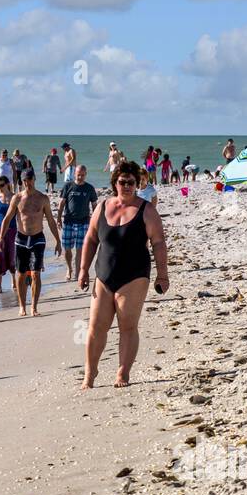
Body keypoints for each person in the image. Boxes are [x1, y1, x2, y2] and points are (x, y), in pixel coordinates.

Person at [78, 161, 169, 389]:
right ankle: (90, 373)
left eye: (131, 182)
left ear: (137, 184)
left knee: (127, 325)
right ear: (115, 183)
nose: (127, 186)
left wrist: (162, 275)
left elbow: (158, 242)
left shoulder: (147, 210)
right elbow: (90, 238)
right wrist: (82, 270)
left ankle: (122, 373)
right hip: (104, 274)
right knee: (96, 326)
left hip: (134, 275)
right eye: (122, 182)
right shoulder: (102, 207)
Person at [0, 168, 61, 316]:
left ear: (34, 179)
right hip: (21, 239)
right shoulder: (17, 198)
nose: (27, 183)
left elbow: (51, 222)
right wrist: (1, 237)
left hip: (37, 238)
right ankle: (22, 306)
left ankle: (34, 307)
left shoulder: (43, 198)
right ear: (21, 181)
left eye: (30, 179)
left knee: (35, 274)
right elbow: (7, 219)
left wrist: (58, 241)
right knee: (21, 274)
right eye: (24, 180)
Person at [57, 164, 97, 281]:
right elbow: (62, 203)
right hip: (69, 221)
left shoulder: (89, 188)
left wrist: (96, 222)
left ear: (86, 175)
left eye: (83, 175)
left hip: (84, 222)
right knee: (67, 249)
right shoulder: (68, 186)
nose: (80, 177)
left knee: (80, 249)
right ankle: (69, 269)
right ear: (75, 174)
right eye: (79, 175)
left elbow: (95, 206)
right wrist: (59, 218)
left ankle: (78, 272)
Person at [0, 177, 17, 292]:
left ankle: (13, 281)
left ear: (7, 184)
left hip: (11, 229)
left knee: (11, 253)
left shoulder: (15, 197)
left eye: (1, 185)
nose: (0, 188)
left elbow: (19, 215)